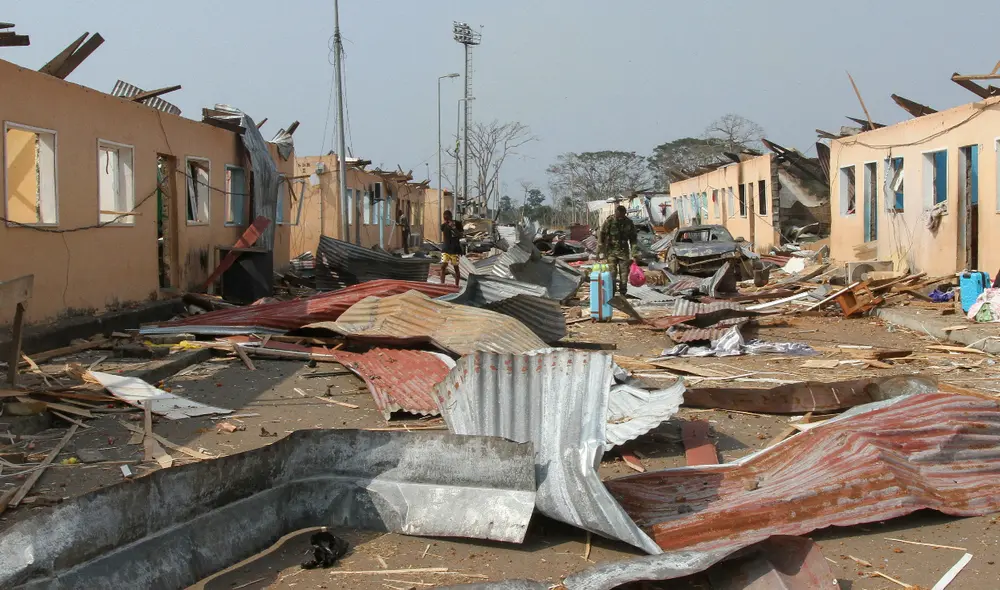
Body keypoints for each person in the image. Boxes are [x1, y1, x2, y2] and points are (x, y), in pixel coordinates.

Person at [598, 205, 639, 295]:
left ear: (624, 214)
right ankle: (612, 292)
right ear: (616, 213)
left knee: (624, 274)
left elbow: (633, 239)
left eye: (622, 215)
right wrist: (601, 252)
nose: (620, 217)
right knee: (612, 273)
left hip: (623, 252)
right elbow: (602, 235)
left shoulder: (629, 223)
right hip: (611, 251)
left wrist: (634, 253)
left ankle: (622, 293)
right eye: (618, 215)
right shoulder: (609, 221)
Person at [440, 209, 463, 286]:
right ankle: (442, 284)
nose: (446, 220)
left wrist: (453, 227)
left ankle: (456, 285)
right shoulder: (443, 226)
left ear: (451, 217)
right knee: (443, 266)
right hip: (445, 249)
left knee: (456, 267)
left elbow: (460, 235)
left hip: (455, 250)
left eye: (447, 218)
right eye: (445, 219)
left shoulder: (458, 224)